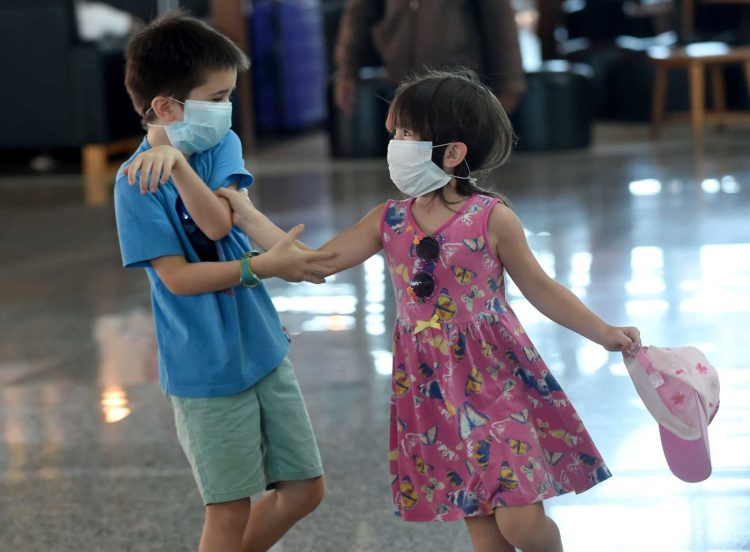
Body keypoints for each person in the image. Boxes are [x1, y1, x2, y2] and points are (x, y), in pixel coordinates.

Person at [219, 68, 641, 552]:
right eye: (393, 133)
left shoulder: (491, 217)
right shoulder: (388, 218)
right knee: (484, 527)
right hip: (433, 387)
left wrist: (604, 331)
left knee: (521, 522)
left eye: (405, 134)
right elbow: (318, 262)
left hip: (497, 378)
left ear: (453, 151)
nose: (393, 144)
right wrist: (248, 216)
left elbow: (542, 288)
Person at [113, 12, 333, 552]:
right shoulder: (134, 183)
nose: (226, 108)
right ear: (166, 106)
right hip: (203, 370)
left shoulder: (219, 144)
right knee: (229, 508)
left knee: (305, 489)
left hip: (262, 348)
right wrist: (260, 266)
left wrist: (183, 165)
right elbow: (180, 279)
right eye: (217, 95)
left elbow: (218, 222)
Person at [333, 0, 526, 115]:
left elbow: (499, 20)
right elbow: (358, 15)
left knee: (457, 169)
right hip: (400, 85)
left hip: (458, 87)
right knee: (410, 170)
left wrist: (509, 84)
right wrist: (346, 71)